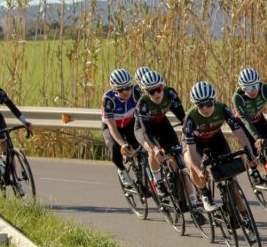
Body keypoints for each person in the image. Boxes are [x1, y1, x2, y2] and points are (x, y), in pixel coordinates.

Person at [182, 80, 257, 213]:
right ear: (195, 105)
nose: (205, 108)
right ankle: (204, 194)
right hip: (195, 143)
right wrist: (198, 171)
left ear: (214, 101)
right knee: (193, 165)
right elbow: (192, 151)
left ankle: (243, 213)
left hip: (216, 139)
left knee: (232, 179)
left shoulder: (223, 109)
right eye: (201, 105)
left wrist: (250, 155)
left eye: (209, 103)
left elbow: (240, 135)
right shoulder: (190, 118)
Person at [134, 70, 191, 203]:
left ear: (163, 86)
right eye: (151, 92)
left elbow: (183, 118)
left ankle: (176, 178)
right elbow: (147, 132)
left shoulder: (170, 93)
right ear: (145, 92)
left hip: (161, 122)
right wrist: (155, 148)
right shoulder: (142, 104)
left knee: (175, 151)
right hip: (143, 129)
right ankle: (158, 182)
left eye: (158, 89)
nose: (156, 94)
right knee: (153, 151)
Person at [232, 67, 267, 184]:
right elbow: (246, 120)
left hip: (258, 119)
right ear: (242, 88)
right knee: (251, 149)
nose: (252, 91)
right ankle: (253, 169)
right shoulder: (237, 97)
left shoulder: (265, 89)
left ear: (259, 83)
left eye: (254, 86)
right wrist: (257, 138)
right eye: (248, 88)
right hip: (242, 124)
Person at [100, 68, 141, 187]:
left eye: (128, 87)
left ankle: (143, 174)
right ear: (114, 89)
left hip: (129, 123)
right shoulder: (108, 100)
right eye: (121, 89)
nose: (125, 92)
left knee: (139, 146)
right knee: (114, 148)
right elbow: (112, 128)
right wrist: (122, 144)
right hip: (111, 126)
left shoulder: (136, 92)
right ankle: (121, 169)